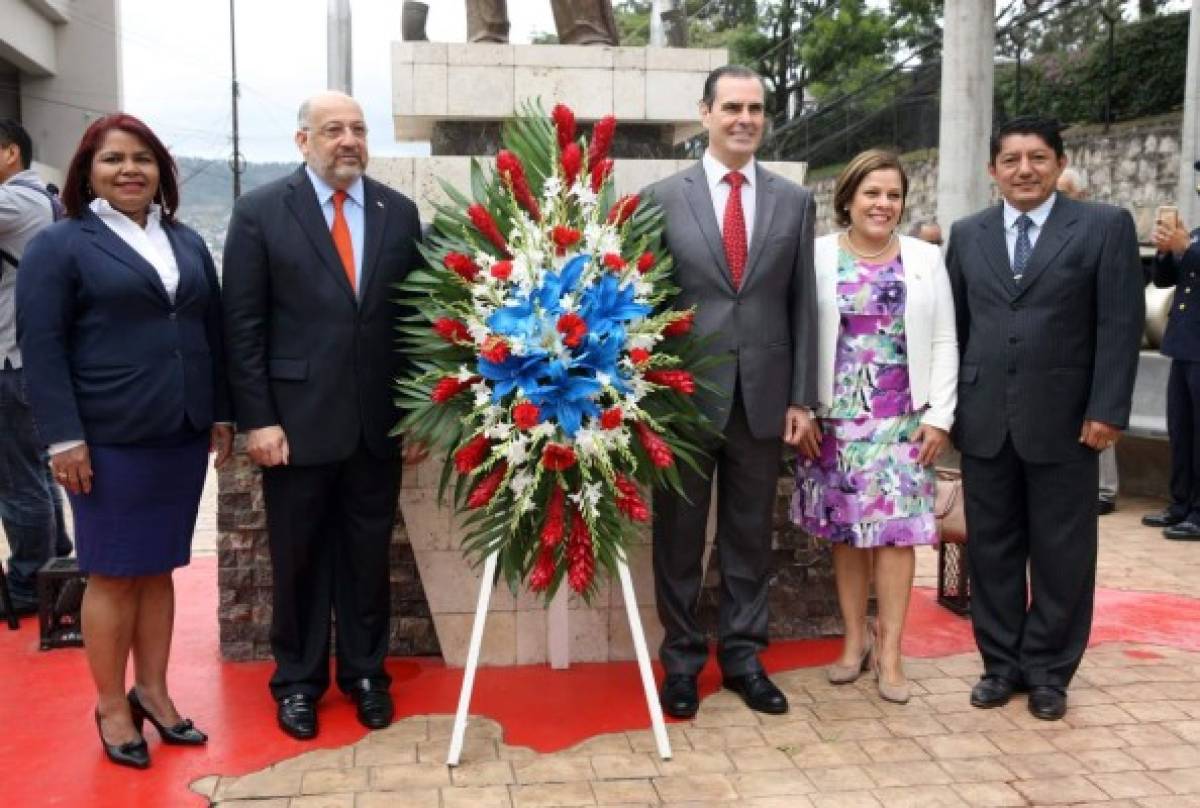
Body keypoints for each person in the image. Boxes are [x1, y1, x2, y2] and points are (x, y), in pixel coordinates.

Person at [16, 113, 234, 768]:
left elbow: (211, 331)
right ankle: (112, 704)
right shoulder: (60, 246)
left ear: (162, 173)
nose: (130, 169)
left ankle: (154, 691)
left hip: (180, 435)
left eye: (142, 158)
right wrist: (62, 440)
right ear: (87, 171)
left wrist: (221, 411)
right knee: (111, 574)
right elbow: (43, 348)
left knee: (159, 568)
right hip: (106, 440)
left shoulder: (188, 242)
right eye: (113, 159)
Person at [222, 91, 423, 740]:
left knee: (368, 560)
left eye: (359, 129)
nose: (348, 140)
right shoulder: (260, 213)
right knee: (299, 558)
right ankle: (299, 683)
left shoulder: (399, 213)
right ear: (302, 140)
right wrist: (259, 419)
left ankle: (367, 675)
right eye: (332, 129)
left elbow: (414, 324)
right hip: (295, 426)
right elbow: (243, 326)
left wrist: (418, 414)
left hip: (377, 425)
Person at [946, 116, 1143, 721]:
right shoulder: (968, 233)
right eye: (1011, 160)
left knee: (1063, 554)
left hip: (1067, 422)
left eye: (1037, 157)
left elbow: (1119, 324)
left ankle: (1050, 670)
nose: (1024, 170)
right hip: (984, 421)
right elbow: (955, 329)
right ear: (992, 171)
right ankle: (1000, 665)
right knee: (993, 552)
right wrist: (947, 409)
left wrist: (1107, 408)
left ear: (1059, 163)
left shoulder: (1103, 227)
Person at [643, 65, 818, 719]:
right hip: (684, 401)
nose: (745, 118)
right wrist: (648, 397)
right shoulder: (662, 198)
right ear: (706, 113)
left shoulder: (793, 201)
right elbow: (644, 306)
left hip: (764, 401)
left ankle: (744, 658)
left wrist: (802, 397)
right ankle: (682, 662)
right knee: (678, 540)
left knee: (750, 537)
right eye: (732, 107)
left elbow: (803, 306)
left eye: (756, 108)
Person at [792, 150, 957, 704]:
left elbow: (943, 341)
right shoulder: (814, 257)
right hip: (834, 421)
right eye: (872, 193)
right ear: (848, 197)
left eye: (893, 195)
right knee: (846, 535)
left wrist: (940, 416)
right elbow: (798, 336)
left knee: (896, 536)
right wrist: (804, 406)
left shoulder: (925, 259)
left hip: (903, 421)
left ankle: (891, 652)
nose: (883, 204)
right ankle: (853, 640)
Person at [0, 119, 72, 618]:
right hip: (29, 357)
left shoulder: (16, 201)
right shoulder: (42, 198)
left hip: (10, 356)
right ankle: (52, 562)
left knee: (17, 478)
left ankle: (28, 583)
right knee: (38, 470)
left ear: (8, 153)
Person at [1056, 168, 1120, 516]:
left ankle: (1104, 490)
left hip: (1092, 347)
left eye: (1066, 192)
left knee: (1099, 418)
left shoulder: (1102, 228)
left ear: (1081, 194)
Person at [1143, 195, 1200, 541]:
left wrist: (1186, 250)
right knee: (1181, 430)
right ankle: (1181, 504)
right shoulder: (1195, 233)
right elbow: (1164, 281)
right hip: (1184, 346)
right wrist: (1166, 250)